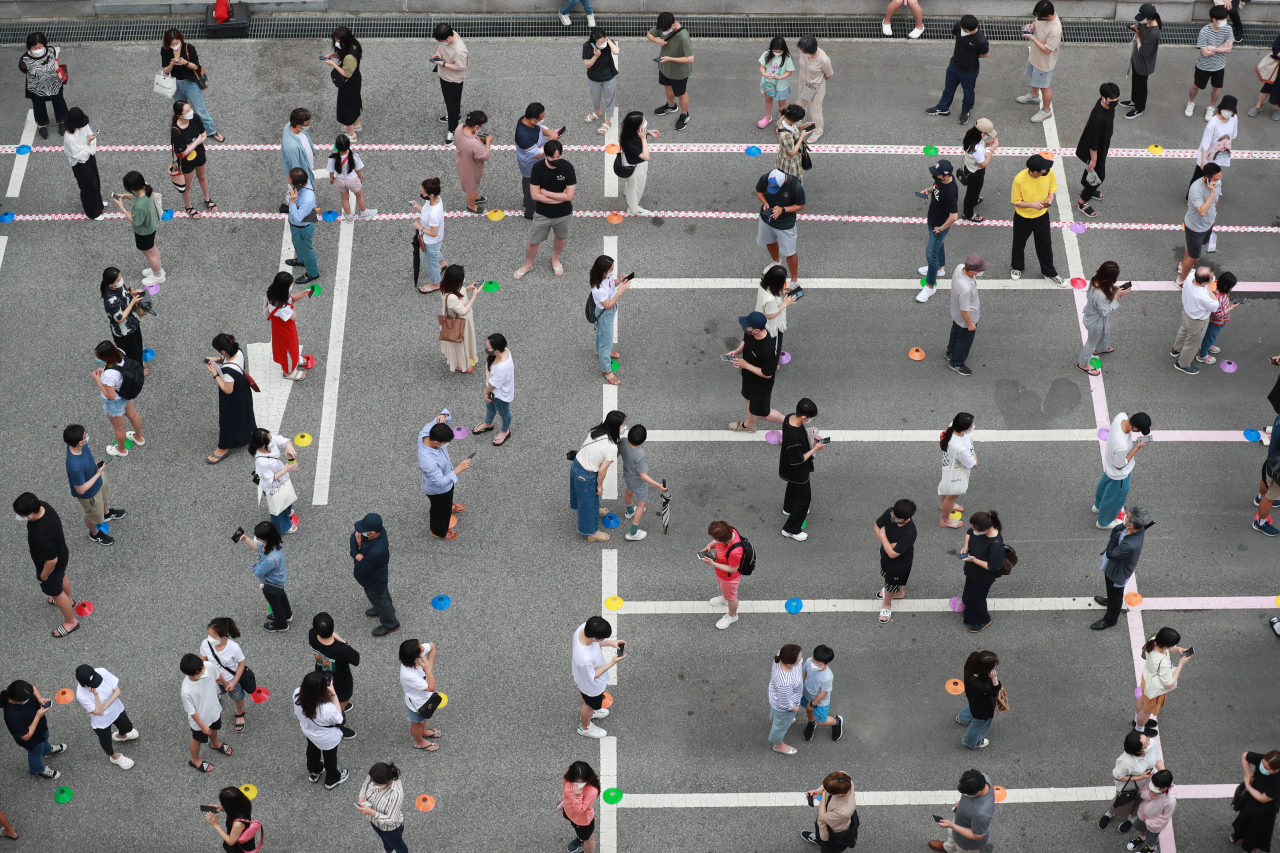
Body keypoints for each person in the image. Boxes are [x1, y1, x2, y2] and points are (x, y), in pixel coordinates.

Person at [14, 494, 79, 638]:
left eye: (20, 515)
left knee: (56, 592)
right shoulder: (44, 506)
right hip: (62, 554)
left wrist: (44, 576)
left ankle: (71, 622)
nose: (18, 517)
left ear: (31, 514)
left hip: (50, 566)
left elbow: (51, 561)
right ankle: (69, 600)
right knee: (61, 576)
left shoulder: (41, 535)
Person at [516, 140, 577, 279]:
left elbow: (570, 196)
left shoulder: (568, 167)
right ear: (546, 156)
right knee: (533, 241)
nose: (557, 160)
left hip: (563, 213)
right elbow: (535, 195)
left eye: (559, 157)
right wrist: (559, 198)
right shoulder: (537, 168)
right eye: (553, 158)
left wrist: (547, 193)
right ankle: (528, 264)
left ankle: (555, 259)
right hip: (542, 213)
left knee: (561, 237)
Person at [64, 423, 123, 546]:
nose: (87, 437)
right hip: (90, 494)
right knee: (92, 516)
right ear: (80, 442)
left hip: (97, 477)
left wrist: (96, 466)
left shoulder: (80, 446)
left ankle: (106, 513)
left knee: (104, 496)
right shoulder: (75, 467)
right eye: (86, 436)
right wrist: (98, 473)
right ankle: (95, 534)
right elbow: (80, 490)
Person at [570, 411, 625, 543]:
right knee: (588, 502)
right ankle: (592, 533)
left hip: (576, 465)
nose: (624, 427)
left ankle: (594, 510)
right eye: (623, 425)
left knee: (586, 499)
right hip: (587, 475)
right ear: (616, 428)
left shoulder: (595, 431)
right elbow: (602, 471)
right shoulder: (611, 446)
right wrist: (599, 486)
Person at [1091, 506, 1150, 630]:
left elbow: (1111, 554)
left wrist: (1114, 537)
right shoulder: (1137, 529)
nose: (1124, 518)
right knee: (1113, 594)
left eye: (1127, 517)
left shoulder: (1130, 546)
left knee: (1116, 595)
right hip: (1115, 567)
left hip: (1117, 573)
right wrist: (1118, 529)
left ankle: (1110, 620)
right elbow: (1120, 528)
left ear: (1132, 525)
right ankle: (1110, 601)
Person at [160, 29, 224, 143]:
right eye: (172, 44)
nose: (175, 46)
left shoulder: (189, 48)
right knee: (180, 109)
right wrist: (172, 64)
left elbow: (196, 67)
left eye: (177, 42)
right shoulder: (165, 50)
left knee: (199, 109)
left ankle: (211, 130)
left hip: (190, 83)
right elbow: (165, 70)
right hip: (175, 83)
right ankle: (183, 130)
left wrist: (185, 63)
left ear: (180, 39)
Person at [1009, 154, 1063, 285]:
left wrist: (1051, 198)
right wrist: (1031, 205)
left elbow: (1052, 188)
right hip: (1023, 217)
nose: (1047, 171)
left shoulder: (1048, 174)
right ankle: (1017, 267)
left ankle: (1049, 272)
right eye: (1044, 170)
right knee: (1019, 243)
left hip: (1042, 216)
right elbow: (1016, 202)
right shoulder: (1019, 180)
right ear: (1035, 172)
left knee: (1045, 245)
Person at [1193, 96, 1238, 254]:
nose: (1228, 113)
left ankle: (1213, 189)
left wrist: (1226, 149)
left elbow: (1233, 136)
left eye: (1231, 111)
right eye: (1227, 110)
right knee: (1199, 177)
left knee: (1216, 175)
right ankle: (1193, 196)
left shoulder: (1234, 119)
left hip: (1221, 154)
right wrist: (1204, 161)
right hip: (1209, 156)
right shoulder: (1213, 122)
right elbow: (1206, 142)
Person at [927, 15, 989, 124]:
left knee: (968, 92)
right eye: (962, 29)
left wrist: (970, 56)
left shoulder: (981, 40)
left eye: (965, 31)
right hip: (954, 65)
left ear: (974, 30)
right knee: (948, 88)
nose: (963, 32)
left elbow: (985, 54)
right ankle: (943, 108)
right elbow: (956, 35)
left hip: (969, 71)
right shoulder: (959, 27)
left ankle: (966, 111)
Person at [205, 333, 257, 464]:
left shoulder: (228, 372)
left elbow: (227, 389)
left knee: (228, 422)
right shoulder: (238, 352)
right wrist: (217, 359)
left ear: (223, 351)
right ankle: (249, 433)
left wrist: (215, 374)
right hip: (243, 389)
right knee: (245, 414)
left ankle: (223, 447)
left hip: (232, 398)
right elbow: (228, 359)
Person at [292, 671, 349, 789]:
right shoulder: (326, 709)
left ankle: (315, 771)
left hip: (309, 731)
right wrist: (333, 692)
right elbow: (339, 718)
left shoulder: (297, 693)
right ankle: (332, 779)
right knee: (330, 757)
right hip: (327, 738)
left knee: (312, 750)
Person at [728, 311, 783, 433]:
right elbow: (745, 341)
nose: (745, 328)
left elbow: (767, 374)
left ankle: (792, 422)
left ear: (756, 330)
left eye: (748, 326)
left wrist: (745, 365)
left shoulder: (767, 349)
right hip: (749, 378)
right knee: (748, 398)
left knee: (762, 413)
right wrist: (737, 351)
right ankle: (749, 424)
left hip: (761, 386)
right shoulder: (750, 332)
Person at [1099, 731, 1165, 833]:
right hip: (1129, 788)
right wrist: (1139, 777)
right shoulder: (1126, 761)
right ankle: (1110, 812)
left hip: (1146, 784)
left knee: (1140, 802)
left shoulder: (1153, 744)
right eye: (1145, 744)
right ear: (1137, 750)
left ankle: (1132, 817)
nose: (1149, 742)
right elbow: (1117, 776)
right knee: (1121, 802)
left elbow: (1157, 759)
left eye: (1147, 738)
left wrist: (1163, 773)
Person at [1096, 412, 1151, 528]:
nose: (1139, 432)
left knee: (1104, 486)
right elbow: (1120, 465)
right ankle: (1103, 522)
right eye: (1140, 430)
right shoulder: (1121, 447)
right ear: (1135, 428)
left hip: (1109, 468)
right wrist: (1136, 448)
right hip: (1119, 476)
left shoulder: (1121, 417)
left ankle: (1098, 505)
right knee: (1114, 499)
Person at [418, 418, 471, 541]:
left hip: (446, 481)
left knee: (446, 501)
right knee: (439, 510)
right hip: (438, 490)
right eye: (445, 443)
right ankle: (439, 531)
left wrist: (444, 415)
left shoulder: (426, 432)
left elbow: (441, 417)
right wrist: (459, 469)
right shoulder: (428, 462)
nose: (446, 445)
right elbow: (441, 482)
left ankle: (449, 506)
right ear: (437, 442)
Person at [236, 520, 292, 631]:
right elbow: (259, 548)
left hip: (271, 583)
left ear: (266, 539)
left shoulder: (270, 559)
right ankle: (287, 615)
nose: (256, 539)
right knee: (281, 597)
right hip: (279, 580)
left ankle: (280, 624)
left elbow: (259, 572)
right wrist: (246, 539)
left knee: (275, 604)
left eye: (258, 537)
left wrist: (255, 567)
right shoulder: (275, 543)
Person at [781, 398, 825, 541]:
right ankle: (791, 529)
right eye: (810, 417)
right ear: (805, 417)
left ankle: (788, 508)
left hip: (788, 467)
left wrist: (811, 437)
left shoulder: (789, 418)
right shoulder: (793, 438)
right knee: (804, 499)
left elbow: (800, 437)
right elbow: (799, 459)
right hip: (798, 470)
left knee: (792, 487)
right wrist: (815, 449)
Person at [92, 341, 145, 460]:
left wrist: (98, 380)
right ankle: (139, 438)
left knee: (119, 428)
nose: (97, 358)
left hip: (115, 402)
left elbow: (110, 395)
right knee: (133, 415)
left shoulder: (109, 375)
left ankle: (121, 449)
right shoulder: (121, 353)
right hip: (126, 394)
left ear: (105, 357)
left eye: (98, 356)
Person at [2, 680, 65, 779]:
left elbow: (33, 688)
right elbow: (26, 736)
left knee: (45, 737)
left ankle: (48, 751)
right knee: (36, 754)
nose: (31, 697)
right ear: (19, 701)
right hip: (32, 739)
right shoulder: (11, 716)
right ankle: (38, 770)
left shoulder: (18, 688)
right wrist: (38, 716)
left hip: (40, 727)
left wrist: (39, 699)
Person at [179, 653, 231, 773]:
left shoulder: (208, 666)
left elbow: (218, 675)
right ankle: (195, 760)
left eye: (202, 668)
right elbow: (191, 711)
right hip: (200, 721)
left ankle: (214, 743)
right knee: (197, 740)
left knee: (215, 728)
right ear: (189, 674)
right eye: (199, 672)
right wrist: (202, 726)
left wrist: (226, 684)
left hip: (214, 710)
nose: (203, 672)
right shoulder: (186, 691)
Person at [309, 614, 361, 732]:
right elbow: (357, 659)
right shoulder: (343, 650)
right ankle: (339, 727)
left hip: (321, 672)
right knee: (339, 704)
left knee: (326, 694)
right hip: (340, 681)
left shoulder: (312, 635)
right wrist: (345, 643)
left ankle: (340, 705)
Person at [916, 159, 959, 301]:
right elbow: (936, 185)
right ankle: (940, 268)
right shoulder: (941, 180)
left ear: (946, 175)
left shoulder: (951, 192)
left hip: (939, 225)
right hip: (933, 219)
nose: (935, 176)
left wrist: (940, 229)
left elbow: (954, 217)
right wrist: (929, 190)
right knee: (938, 246)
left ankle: (930, 286)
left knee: (931, 255)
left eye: (938, 175)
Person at [573, 616, 623, 738]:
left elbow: (598, 643)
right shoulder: (584, 658)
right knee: (589, 705)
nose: (604, 640)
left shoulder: (584, 628)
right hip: (592, 685)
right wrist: (612, 662)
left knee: (586, 698)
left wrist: (611, 643)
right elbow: (593, 675)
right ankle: (585, 727)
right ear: (594, 639)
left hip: (583, 680)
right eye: (602, 639)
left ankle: (592, 711)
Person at [350, 514, 399, 636]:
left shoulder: (376, 551)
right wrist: (358, 553)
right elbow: (353, 537)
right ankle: (387, 609)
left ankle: (391, 623)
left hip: (373, 579)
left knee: (378, 597)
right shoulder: (378, 531)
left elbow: (362, 568)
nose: (359, 532)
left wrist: (357, 551)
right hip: (377, 576)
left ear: (372, 532)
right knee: (382, 596)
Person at [1075, 82, 1120, 218]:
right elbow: (1093, 142)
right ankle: (1082, 203)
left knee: (1091, 169)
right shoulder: (1098, 117)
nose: (1115, 101)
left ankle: (1085, 188)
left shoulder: (1107, 106)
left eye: (1117, 98)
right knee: (1099, 177)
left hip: (1102, 145)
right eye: (1112, 99)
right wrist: (1094, 158)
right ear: (1103, 98)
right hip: (1096, 150)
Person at [755, 169, 806, 286]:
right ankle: (776, 262)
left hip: (785, 224)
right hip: (767, 219)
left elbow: (801, 206)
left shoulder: (795, 186)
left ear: (784, 182)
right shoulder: (766, 178)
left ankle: (794, 280)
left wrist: (782, 209)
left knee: (790, 252)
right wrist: (765, 202)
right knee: (769, 241)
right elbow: (758, 191)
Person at [1136, 627, 1190, 734]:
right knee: (1146, 711)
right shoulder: (1162, 662)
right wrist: (1180, 665)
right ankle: (1139, 729)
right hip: (1152, 687)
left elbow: (1165, 649)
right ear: (1165, 646)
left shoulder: (1153, 639)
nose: (1173, 647)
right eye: (1173, 646)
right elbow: (1169, 684)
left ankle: (1136, 720)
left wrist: (1177, 649)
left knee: (1142, 699)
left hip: (1146, 678)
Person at [1078, 261, 1129, 376]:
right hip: (1096, 323)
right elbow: (1105, 312)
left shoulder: (1095, 280)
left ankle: (1101, 348)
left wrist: (1115, 289)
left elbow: (1105, 289)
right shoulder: (1099, 295)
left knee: (1106, 331)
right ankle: (1083, 364)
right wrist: (1117, 296)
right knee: (1090, 343)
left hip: (1093, 317)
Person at [1016, 0, 1062, 124]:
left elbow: (1047, 50)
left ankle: (1046, 111)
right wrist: (1032, 26)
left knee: (1044, 87)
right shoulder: (1044, 17)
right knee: (1034, 79)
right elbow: (1037, 22)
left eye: (1041, 18)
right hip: (1035, 57)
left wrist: (1032, 37)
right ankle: (1034, 96)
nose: (1038, 19)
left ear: (1049, 16)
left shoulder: (1055, 30)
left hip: (1044, 64)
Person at [114, 171, 164, 284]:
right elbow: (135, 196)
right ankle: (157, 268)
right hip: (151, 227)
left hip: (144, 232)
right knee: (152, 248)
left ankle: (157, 275)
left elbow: (135, 221)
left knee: (149, 254)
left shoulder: (139, 207)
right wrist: (125, 196)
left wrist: (121, 207)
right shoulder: (146, 188)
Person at [201, 617, 249, 734]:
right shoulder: (206, 644)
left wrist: (233, 682)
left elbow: (241, 665)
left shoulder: (233, 648)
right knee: (216, 694)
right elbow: (202, 660)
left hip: (232, 681)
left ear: (223, 637)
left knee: (238, 697)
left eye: (213, 636)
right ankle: (218, 697)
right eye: (209, 634)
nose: (209, 638)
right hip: (213, 681)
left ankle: (239, 712)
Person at [647, 13, 694, 131]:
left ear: (672, 25)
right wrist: (658, 41)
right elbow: (649, 34)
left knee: (681, 93)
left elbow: (690, 58)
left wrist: (670, 58)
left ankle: (684, 115)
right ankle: (671, 106)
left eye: (666, 30)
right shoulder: (663, 25)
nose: (663, 31)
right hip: (665, 66)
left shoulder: (683, 36)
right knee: (667, 86)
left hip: (679, 71)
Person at [959, 511, 1005, 633]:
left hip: (983, 576)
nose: (971, 529)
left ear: (984, 529)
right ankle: (970, 611)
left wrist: (974, 560)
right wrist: (966, 546)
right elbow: (969, 533)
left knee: (975, 599)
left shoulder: (996, 545)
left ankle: (983, 620)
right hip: (972, 571)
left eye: (975, 528)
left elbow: (994, 567)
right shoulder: (980, 528)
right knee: (968, 594)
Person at [515, 103, 562, 220]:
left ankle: (527, 201)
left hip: (535, 163)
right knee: (533, 186)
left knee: (528, 183)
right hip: (530, 165)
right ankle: (530, 212)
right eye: (540, 119)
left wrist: (551, 133)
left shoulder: (526, 120)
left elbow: (540, 128)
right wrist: (550, 141)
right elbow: (536, 155)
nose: (541, 121)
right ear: (533, 119)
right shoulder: (523, 136)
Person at [875, 498, 918, 624]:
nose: (892, 517)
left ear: (907, 519)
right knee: (888, 576)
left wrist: (883, 537)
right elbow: (876, 527)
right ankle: (899, 593)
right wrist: (888, 545)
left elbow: (893, 554)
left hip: (899, 564)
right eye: (893, 514)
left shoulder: (909, 533)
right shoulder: (890, 512)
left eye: (896, 518)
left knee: (890, 583)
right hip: (885, 556)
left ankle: (887, 605)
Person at [929, 769, 995, 852]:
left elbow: (977, 836)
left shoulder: (981, 814)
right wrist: (960, 803)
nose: (965, 795)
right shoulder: (982, 779)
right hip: (960, 823)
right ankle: (949, 848)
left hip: (967, 843)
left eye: (967, 794)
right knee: (952, 836)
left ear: (976, 793)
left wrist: (952, 825)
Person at [249, 428, 300, 536]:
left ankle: (287, 512)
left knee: (286, 497)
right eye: (270, 439)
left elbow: (285, 441)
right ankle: (283, 528)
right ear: (262, 445)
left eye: (271, 437)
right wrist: (286, 470)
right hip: (273, 486)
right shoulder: (261, 462)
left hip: (281, 478)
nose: (272, 440)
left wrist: (289, 447)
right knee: (278, 507)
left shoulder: (268, 442)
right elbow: (270, 480)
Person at [620, 424, 666, 541]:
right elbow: (642, 475)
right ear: (643, 440)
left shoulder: (623, 442)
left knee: (629, 492)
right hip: (638, 482)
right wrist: (658, 485)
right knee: (641, 504)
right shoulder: (640, 455)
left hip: (627, 475)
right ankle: (633, 532)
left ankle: (629, 511)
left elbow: (617, 453)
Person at [171, 99, 215, 218]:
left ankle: (207, 199)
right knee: (187, 185)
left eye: (189, 108)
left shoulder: (195, 118)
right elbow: (184, 151)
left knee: (202, 176)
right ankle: (188, 207)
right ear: (180, 115)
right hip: (186, 161)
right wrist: (197, 141)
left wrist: (193, 144)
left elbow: (204, 135)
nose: (190, 111)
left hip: (199, 154)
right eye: (187, 110)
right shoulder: (175, 130)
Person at [1187, 6, 1233, 120]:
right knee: (1196, 85)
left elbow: (1229, 49)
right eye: (1221, 19)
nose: (1223, 21)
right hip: (1203, 66)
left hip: (1219, 66)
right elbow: (1205, 54)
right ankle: (1191, 102)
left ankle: (1211, 107)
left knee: (1217, 88)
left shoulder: (1228, 29)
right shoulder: (1204, 32)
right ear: (1214, 19)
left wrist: (1213, 48)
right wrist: (1221, 47)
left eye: (1224, 19)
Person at [1178, 166, 1222, 285]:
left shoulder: (1216, 182)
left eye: (1220, 177)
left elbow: (1215, 201)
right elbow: (1202, 212)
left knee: (1192, 247)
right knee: (1194, 257)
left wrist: (1214, 214)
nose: (1219, 181)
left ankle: (1183, 266)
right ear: (1207, 179)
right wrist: (1211, 193)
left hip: (1208, 224)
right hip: (1195, 227)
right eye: (1216, 179)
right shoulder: (1196, 189)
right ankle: (1181, 280)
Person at [1172, 264, 1219, 375]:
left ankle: (1176, 349)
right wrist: (1208, 289)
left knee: (1184, 331)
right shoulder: (1203, 296)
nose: (1213, 279)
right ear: (1204, 283)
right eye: (1211, 278)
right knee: (1192, 344)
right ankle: (1183, 364)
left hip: (1187, 313)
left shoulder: (1190, 276)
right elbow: (1215, 305)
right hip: (1197, 321)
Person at [944, 254, 987, 377]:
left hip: (956, 314)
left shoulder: (960, 267)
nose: (981, 271)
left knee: (955, 332)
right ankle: (956, 363)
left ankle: (951, 352)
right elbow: (965, 310)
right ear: (972, 272)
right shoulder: (966, 288)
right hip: (966, 319)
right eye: (980, 270)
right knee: (964, 341)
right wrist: (970, 324)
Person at [266, 270, 313, 381]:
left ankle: (295, 359)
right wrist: (292, 308)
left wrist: (303, 293)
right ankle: (288, 372)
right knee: (287, 350)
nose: (292, 286)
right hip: (285, 332)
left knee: (292, 347)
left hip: (283, 329)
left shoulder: (276, 294)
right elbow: (294, 316)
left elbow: (291, 299)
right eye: (290, 285)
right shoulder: (282, 307)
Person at [1230, 750, 1280, 853]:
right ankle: (1238, 835)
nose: (1262, 768)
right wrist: (1248, 775)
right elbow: (1245, 755)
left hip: (1265, 808)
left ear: (1276, 770)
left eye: (1266, 768)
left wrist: (1248, 786)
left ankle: (1251, 849)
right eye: (1263, 764)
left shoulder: (1277, 783)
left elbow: (1263, 799)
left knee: (1256, 829)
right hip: (1253, 795)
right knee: (1244, 817)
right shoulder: (1263, 760)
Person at [590, 255, 629, 385]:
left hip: (606, 313)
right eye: (611, 269)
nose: (613, 270)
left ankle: (600, 352)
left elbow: (612, 285)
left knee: (602, 335)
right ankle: (606, 370)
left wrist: (619, 280)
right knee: (606, 344)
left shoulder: (605, 276)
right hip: (605, 314)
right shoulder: (598, 289)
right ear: (604, 271)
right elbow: (608, 305)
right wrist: (620, 292)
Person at [19, 33, 66, 139]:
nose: (37, 49)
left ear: (44, 44)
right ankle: (42, 124)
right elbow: (24, 70)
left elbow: (54, 61)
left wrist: (58, 71)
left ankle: (62, 120)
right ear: (29, 47)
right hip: (36, 87)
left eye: (39, 47)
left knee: (59, 102)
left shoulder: (51, 50)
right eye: (34, 48)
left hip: (53, 83)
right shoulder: (24, 59)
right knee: (38, 105)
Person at [702, 520, 748, 630]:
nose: (714, 541)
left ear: (724, 540)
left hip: (729, 577)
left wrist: (713, 563)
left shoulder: (735, 552)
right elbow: (717, 543)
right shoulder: (730, 531)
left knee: (731, 597)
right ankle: (724, 598)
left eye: (715, 539)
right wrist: (710, 545)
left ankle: (732, 615)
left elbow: (733, 569)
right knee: (726, 592)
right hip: (721, 573)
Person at [398, 639, 443, 750]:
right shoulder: (408, 675)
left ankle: (424, 731)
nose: (424, 650)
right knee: (417, 722)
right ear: (414, 658)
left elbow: (432, 647)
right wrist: (427, 669)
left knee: (423, 718)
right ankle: (420, 742)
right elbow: (431, 688)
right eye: (421, 651)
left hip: (425, 699)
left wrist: (429, 669)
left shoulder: (414, 652)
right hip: (417, 703)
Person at [439, 265, 481, 373]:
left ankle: (464, 361)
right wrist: (474, 296)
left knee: (462, 342)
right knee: (460, 343)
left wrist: (469, 288)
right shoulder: (451, 297)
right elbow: (462, 311)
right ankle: (460, 365)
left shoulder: (448, 287)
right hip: (459, 323)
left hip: (461, 321)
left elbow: (460, 292)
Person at [63, 107, 103, 219]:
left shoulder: (83, 125)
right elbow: (80, 156)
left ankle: (98, 204)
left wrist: (91, 146)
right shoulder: (69, 137)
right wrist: (89, 143)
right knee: (87, 187)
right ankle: (92, 212)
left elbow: (90, 135)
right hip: (79, 163)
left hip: (89, 155)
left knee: (95, 180)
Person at [618, 110, 660, 217]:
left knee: (631, 185)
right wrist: (643, 139)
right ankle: (634, 209)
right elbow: (646, 157)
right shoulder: (633, 141)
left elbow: (639, 132)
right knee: (637, 188)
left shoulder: (628, 132)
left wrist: (648, 132)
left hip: (629, 162)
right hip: (636, 166)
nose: (645, 122)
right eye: (643, 121)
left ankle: (628, 192)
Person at [323, 26, 362, 141]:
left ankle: (351, 134)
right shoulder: (354, 45)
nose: (336, 43)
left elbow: (346, 73)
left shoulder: (350, 56)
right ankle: (356, 124)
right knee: (354, 102)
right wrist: (335, 55)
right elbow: (348, 60)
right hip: (355, 81)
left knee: (345, 107)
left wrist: (333, 64)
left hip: (349, 83)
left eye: (338, 41)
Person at [101, 267, 146, 367]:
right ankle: (137, 370)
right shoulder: (110, 300)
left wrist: (133, 294)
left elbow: (124, 294)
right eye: (118, 280)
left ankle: (138, 362)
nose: (121, 281)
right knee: (131, 353)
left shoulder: (117, 287)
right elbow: (119, 318)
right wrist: (132, 303)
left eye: (120, 277)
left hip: (132, 323)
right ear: (110, 284)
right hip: (124, 331)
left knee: (137, 347)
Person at [431, 24, 468, 145]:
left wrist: (442, 64)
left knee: (451, 104)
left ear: (448, 38)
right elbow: (441, 44)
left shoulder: (460, 51)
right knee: (451, 101)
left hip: (453, 80)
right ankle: (455, 115)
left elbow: (460, 67)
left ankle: (452, 130)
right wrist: (439, 53)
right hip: (445, 76)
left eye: (442, 41)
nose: (441, 43)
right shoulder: (451, 34)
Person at [801, 771, 858, 849]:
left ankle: (822, 842)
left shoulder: (844, 811)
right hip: (829, 819)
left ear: (837, 794)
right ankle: (818, 839)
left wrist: (824, 793)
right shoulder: (844, 779)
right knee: (818, 828)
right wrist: (819, 791)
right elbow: (830, 782)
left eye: (827, 791)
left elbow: (822, 817)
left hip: (832, 832)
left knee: (829, 847)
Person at [474, 333, 514, 447]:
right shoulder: (504, 350)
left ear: (496, 350)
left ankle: (505, 431)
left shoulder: (502, 367)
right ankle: (488, 423)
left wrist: (486, 391)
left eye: (489, 347)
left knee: (504, 413)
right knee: (490, 406)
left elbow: (493, 384)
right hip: (494, 391)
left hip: (500, 394)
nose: (487, 348)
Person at [1123, 5, 1161, 119]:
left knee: (1141, 86)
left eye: (1142, 18)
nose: (1141, 20)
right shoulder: (1145, 23)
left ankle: (1139, 108)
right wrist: (1136, 29)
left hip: (1144, 64)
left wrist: (1137, 36)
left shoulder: (1154, 33)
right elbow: (1140, 31)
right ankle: (1134, 101)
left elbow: (1143, 52)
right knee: (1135, 81)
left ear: (1148, 17)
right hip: (1137, 60)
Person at [359, 762, 407, 853]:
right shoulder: (374, 776)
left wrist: (371, 812)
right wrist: (362, 797)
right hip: (375, 822)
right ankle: (389, 851)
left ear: (385, 782)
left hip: (390, 829)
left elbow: (391, 820)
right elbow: (365, 786)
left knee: (398, 846)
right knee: (385, 842)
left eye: (375, 783)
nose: (371, 784)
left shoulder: (396, 793)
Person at [956, 651, 1000, 749]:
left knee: (972, 707)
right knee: (979, 726)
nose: (994, 668)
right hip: (983, 709)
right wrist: (994, 678)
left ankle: (962, 718)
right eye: (992, 667)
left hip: (974, 699)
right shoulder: (981, 685)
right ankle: (970, 742)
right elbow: (996, 690)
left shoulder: (971, 662)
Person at [938, 412, 976, 527]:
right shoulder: (960, 448)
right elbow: (973, 463)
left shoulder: (952, 427)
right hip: (956, 471)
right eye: (971, 424)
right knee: (952, 496)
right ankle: (945, 520)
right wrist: (973, 452)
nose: (973, 425)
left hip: (948, 465)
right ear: (963, 430)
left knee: (946, 488)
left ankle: (944, 505)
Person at [327, 134, 376, 221]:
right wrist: (361, 178)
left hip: (339, 181)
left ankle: (349, 216)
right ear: (349, 145)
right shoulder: (354, 157)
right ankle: (364, 213)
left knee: (344, 198)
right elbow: (358, 170)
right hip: (353, 180)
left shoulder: (332, 158)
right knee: (359, 196)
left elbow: (331, 171)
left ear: (336, 147)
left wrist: (331, 178)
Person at [285, 167, 320, 286]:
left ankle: (313, 273)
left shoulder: (307, 199)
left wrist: (292, 202)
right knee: (297, 243)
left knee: (307, 250)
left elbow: (298, 218)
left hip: (302, 227)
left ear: (299, 184)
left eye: (290, 181)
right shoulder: (305, 184)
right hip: (297, 227)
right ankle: (301, 260)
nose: (288, 181)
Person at [1127, 769, 1176, 853]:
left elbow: (1165, 818)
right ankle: (1142, 839)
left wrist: (1150, 823)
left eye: (1155, 787)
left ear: (1164, 788)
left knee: (1151, 839)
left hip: (1154, 825)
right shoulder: (1154, 781)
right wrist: (1148, 794)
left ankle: (1151, 849)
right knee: (1140, 828)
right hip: (1142, 814)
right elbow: (1143, 793)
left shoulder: (1170, 801)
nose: (1151, 787)